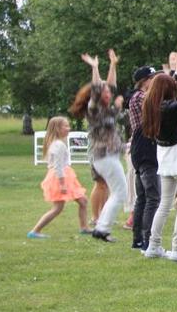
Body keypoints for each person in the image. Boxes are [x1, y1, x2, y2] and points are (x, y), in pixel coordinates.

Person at [140, 69, 177, 264]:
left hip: (164, 157)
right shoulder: (171, 108)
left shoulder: (151, 105)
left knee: (164, 205)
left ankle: (153, 245)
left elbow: (172, 90)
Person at [70, 49, 127, 243]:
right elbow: (97, 88)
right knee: (121, 192)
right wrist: (95, 68)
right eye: (106, 92)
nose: (109, 93)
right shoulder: (93, 108)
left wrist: (112, 64)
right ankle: (101, 228)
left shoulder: (108, 107)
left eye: (109, 92)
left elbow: (110, 84)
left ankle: (101, 226)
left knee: (118, 192)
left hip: (108, 156)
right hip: (104, 156)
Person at [28, 116, 92, 238]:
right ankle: (35, 231)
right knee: (57, 208)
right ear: (57, 128)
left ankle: (84, 227)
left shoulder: (58, 143)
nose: (69, 128)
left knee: (83, 201)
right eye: (66, 126)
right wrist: (62, 184)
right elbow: (58, 166)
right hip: (60, 177)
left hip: (65, 175)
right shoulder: (58, 145)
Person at [127, 64, 161, 250]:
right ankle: (147, 239)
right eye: (152, 79)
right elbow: (158, 109)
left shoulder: (137, 97)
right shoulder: (141, 97)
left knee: (142, 197)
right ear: (145, 81)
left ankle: (138, 239)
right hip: (147, 149)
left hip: (140, 150)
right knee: (153, 196)